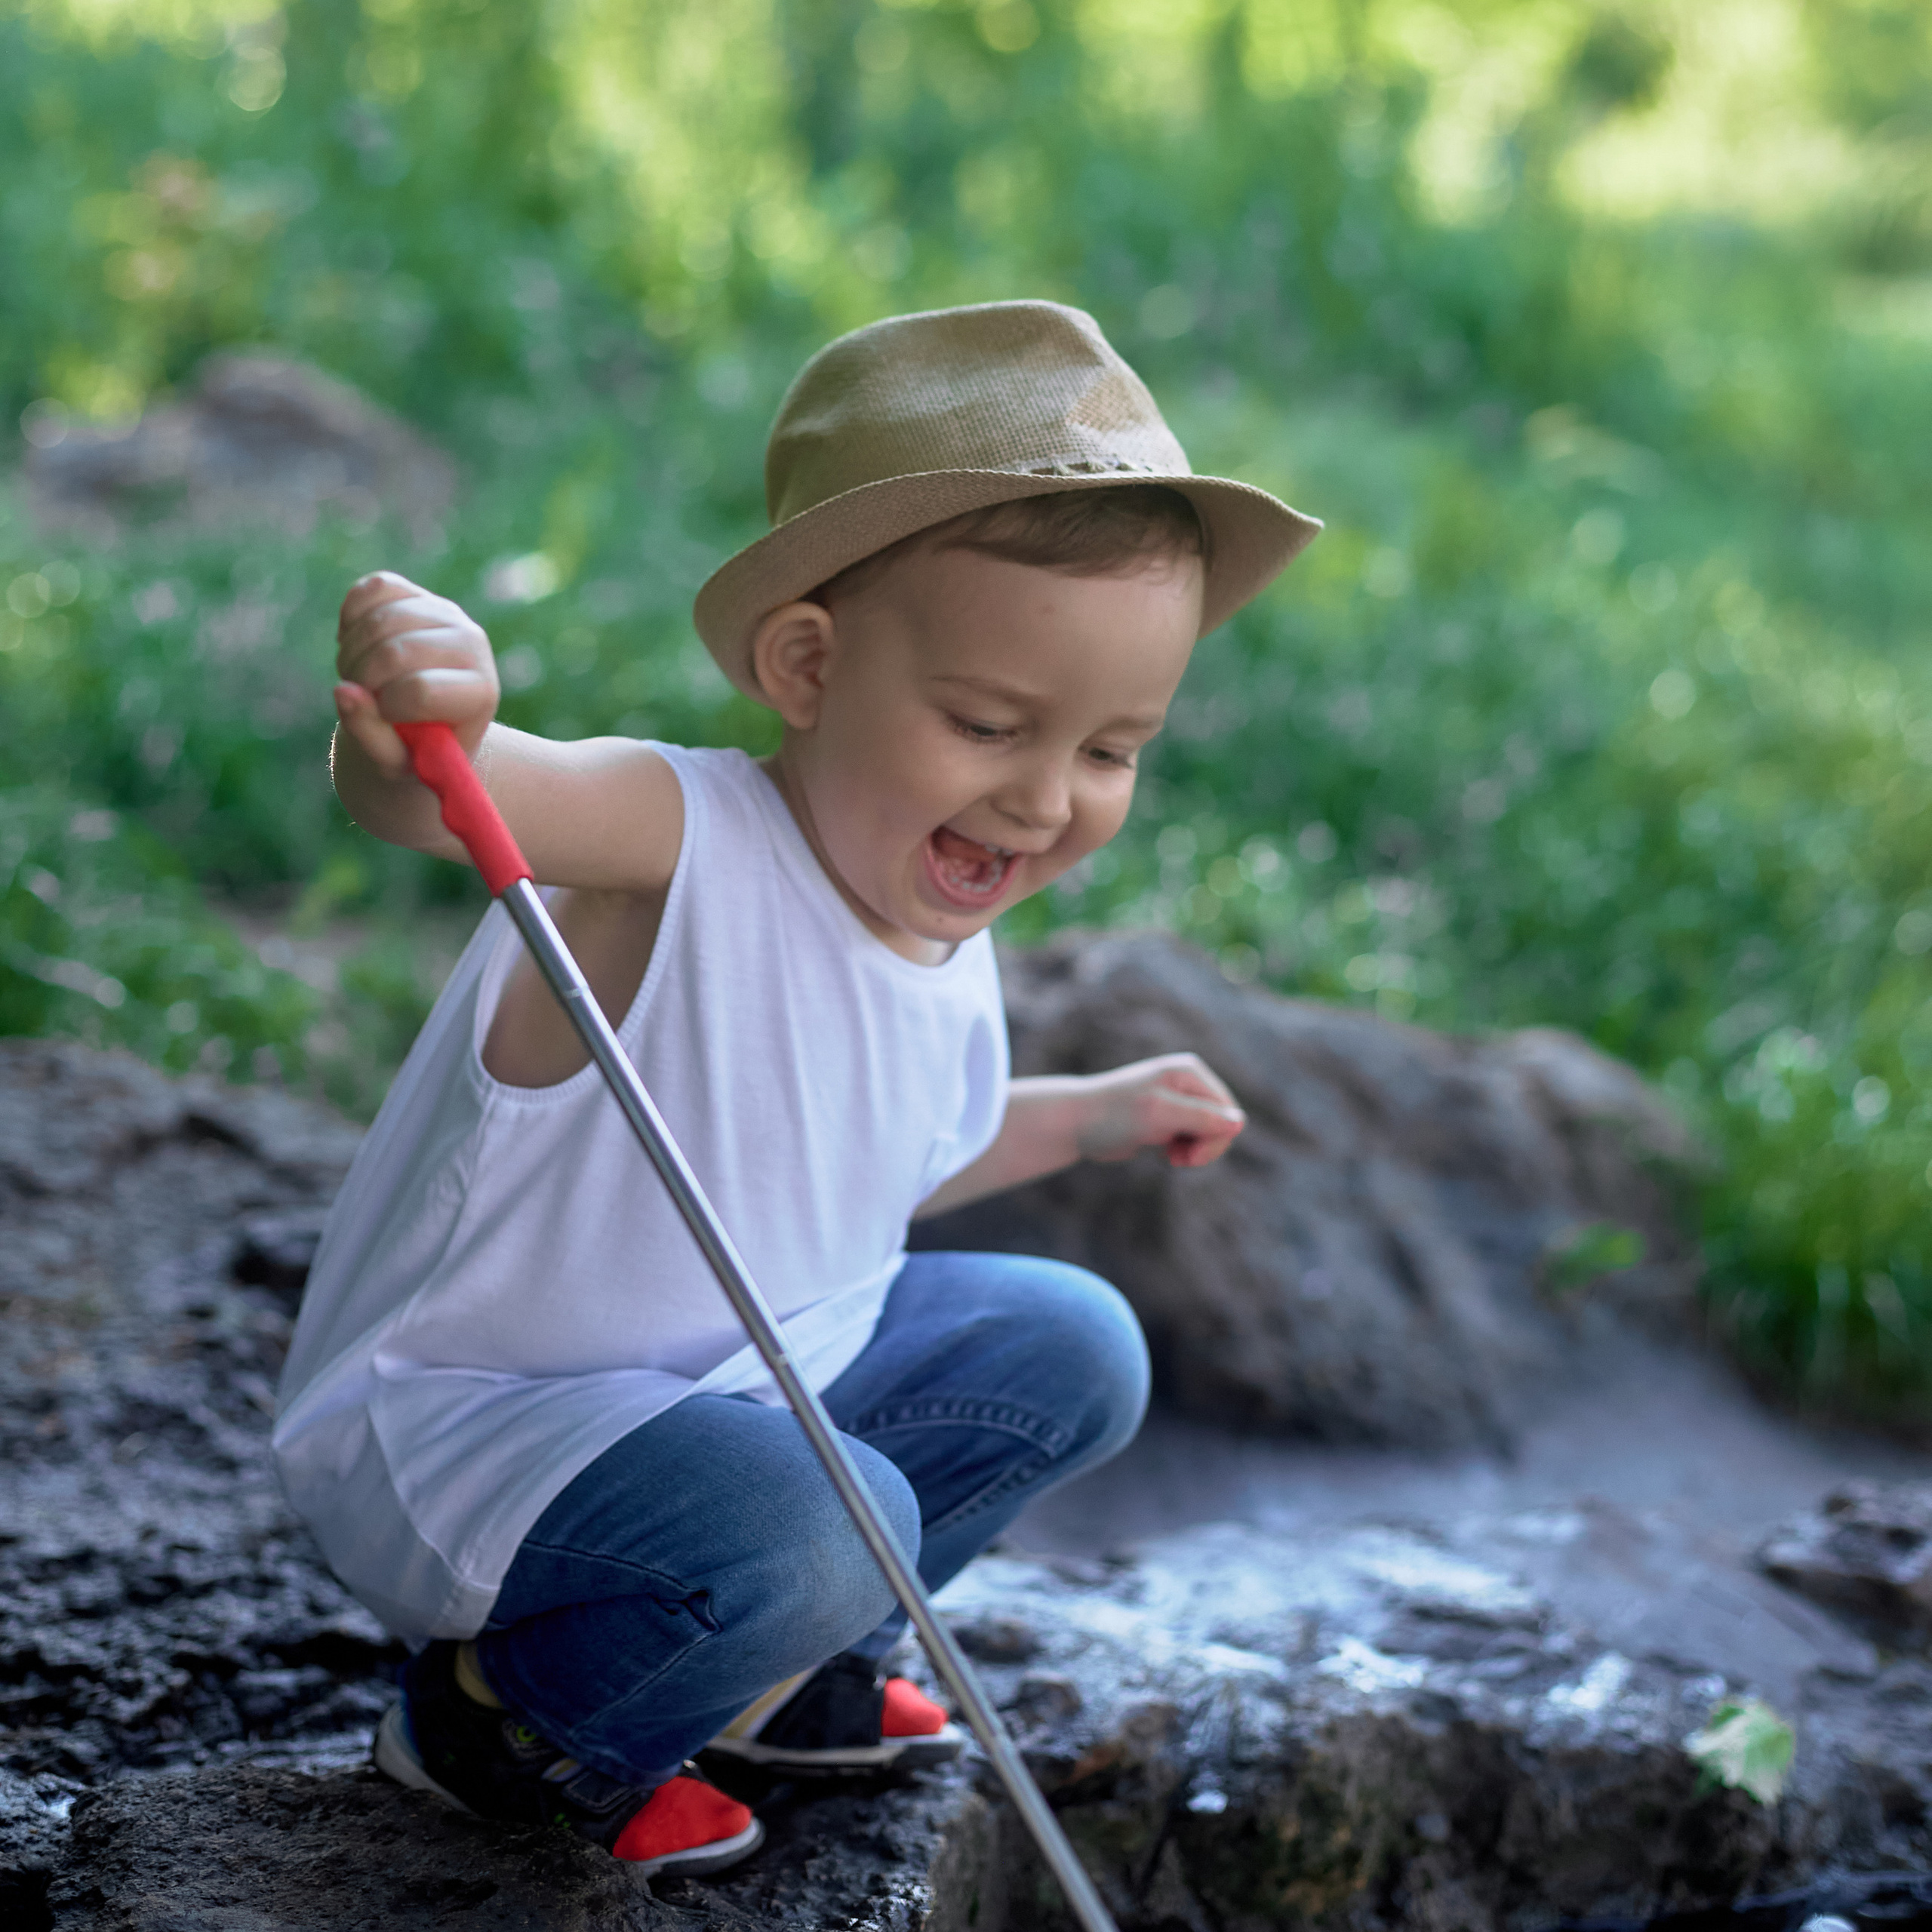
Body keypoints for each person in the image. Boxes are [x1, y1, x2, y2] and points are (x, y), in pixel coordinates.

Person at [272, 300, 1320, 1878]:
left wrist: (1093, 1108)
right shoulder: (670, 844)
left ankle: (766, 1674)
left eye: (1111, 748)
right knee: (837, 1517)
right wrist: (426, 718)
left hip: (748, 1392)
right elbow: (443, 798)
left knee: (1072, 1345)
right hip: (485, 1436)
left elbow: (877, 1168)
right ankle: (513, 1722)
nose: (1043, 796)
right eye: (987, 724)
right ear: (808, 662)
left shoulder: (931, 917)